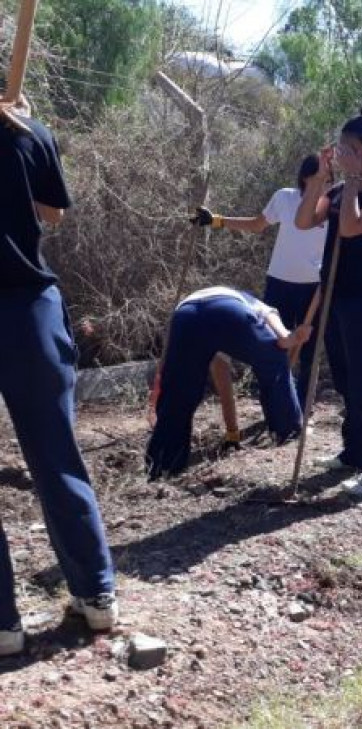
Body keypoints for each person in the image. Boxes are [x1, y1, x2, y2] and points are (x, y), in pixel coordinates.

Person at [1, 98, 118, 655]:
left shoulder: (24, 129)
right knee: (56, 456)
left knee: (55, 454)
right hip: (31, 312)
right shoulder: (30, 130)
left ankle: (3, 626)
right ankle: (96, 597)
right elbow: (53, 213)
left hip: (26, 307)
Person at [297, 107, 362, 498]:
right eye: (342, 146)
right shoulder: (342, 190)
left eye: (351, 147)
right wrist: (320, 181)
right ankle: (356, 452)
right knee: (345, 380)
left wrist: (353, 182)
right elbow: (304, 221)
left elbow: (351, 227)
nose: (344, 152)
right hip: (336, 298)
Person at [189, 155, 328, 407]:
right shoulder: (285, 198)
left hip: (314, 288)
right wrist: (216, 221)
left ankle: (302, 408)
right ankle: (272, 401)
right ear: (307, 176)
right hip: (279, 282)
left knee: (309, 351)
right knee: (273, 344)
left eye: (328, 178)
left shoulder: (331, 206)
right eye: (320, 176)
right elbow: (257, 225)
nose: (325, 182)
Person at [145, 287, 308, 480]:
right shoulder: (258, 305)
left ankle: (163, 465)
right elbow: (283, 339)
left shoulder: (208, 302)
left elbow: (223, 380)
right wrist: (292, 338)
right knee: (274, 360)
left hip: (184, 316)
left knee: (179, 391)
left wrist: (233, 434)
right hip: (228, 313)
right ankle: (287, 430)